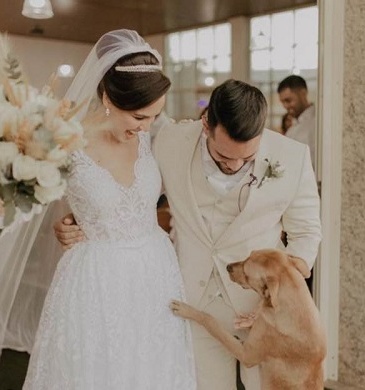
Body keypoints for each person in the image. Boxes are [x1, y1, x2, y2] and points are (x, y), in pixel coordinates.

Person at [55, 79, 322, 390]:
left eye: (245, 159)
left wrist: (280, 298)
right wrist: (83, 217)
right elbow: (127, 187)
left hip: (263, 307)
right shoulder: (169, 140)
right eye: (224, 157)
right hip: (194, 297)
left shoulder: (293, 155)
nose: (234, 165)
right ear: (206, 124)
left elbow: (306, 233)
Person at [23, 29, 196, 389]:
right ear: (107, 98)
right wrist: (62, 223)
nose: (146, 126)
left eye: (153, 116)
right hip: (95, 280)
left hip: (154, 273)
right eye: (138, 117)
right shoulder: (66, 141)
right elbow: (37, 206)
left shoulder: (149, 134)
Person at [277, 75, 316, 168]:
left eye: (288, 100)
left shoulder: (317, 122)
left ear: (303, 93)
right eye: (283, 102)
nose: (285, 106)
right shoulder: (292, 127)